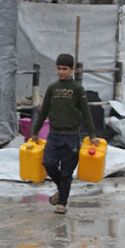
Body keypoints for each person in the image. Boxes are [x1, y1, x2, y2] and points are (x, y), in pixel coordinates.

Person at [30, 53, 99, 215]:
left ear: (73, 69)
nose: (61, 72)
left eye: (65, 69)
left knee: (67, 171)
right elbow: (44, 111)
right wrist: (35, 131)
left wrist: (92, 134)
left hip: (71, 137)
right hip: (54, 136)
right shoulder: (53, 88)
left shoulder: (77, 89)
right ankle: (62, 189)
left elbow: (86, 112)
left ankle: (62, 203)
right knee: (49, 163)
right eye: (59, 69)